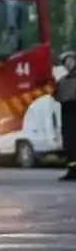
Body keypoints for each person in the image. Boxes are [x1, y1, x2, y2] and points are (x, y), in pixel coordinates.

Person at [57, 50, 76, 181]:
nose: (67, 64)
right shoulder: (62, 81)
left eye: (69, 60)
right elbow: (56, 95)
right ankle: (72, 171)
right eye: (65, 63)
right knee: (69, 144)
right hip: (67, 114)